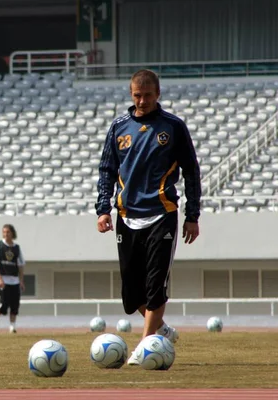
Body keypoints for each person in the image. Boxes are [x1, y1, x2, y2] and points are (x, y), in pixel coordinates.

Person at [95, 69, 201, 365]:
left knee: (156, 285)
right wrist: (103, 209)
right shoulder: (118, 127)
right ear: (131, 95)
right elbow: (106, 171)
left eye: (148, 96)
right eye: (137, 96)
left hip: (161, 214)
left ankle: (144, 348)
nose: (142, 101)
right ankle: (161, 330)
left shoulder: (173, 127)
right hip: (126, 216)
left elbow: (191, 171)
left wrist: (192, 215)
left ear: (158, 95)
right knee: (131, 294)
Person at [0, 224, 25, 334]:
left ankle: (12, 327)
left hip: (14, 280)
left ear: (12, 233)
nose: (6, 234)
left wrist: (21, 280)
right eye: (4, 232)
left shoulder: (16, 248)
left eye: (8, 232)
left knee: (15, 304)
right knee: (4, 304)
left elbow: (20, 265)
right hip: (3, 280)